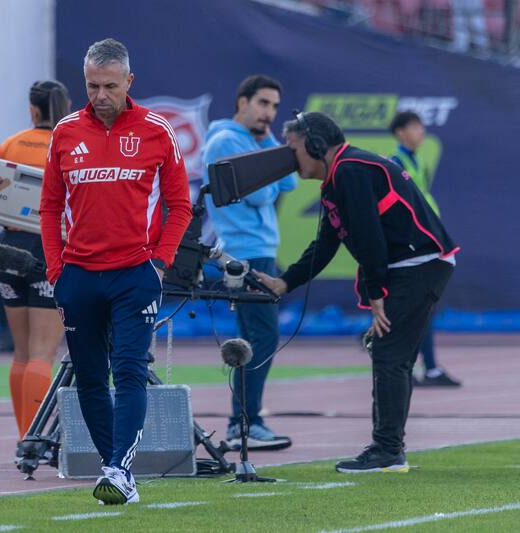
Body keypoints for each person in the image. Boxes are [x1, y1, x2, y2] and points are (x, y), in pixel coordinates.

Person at [255, 112, 458, 473]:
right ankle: (388, 449)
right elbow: (327, 243)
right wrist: (286, 282)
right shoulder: (339, 176)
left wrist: (376, 292)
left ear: (315, 145)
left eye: (292, 148)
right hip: (412, 265)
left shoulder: (351, 170)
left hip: (420, 263)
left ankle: (388, 451)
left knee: (389, 352)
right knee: (389, 352)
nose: (289, 157)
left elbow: (368, 236)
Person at [40, 38, 191, 504]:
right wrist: (56, 269)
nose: (100, 95)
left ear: (129, 82)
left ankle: (117, 468)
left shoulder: (156, 131)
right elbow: (48, 207)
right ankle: (116, 470)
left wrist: (160, 262)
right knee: (88, 375)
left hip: (135, 275)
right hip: (79, 276)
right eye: (91, 86)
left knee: (128, 369)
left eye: (109, 85)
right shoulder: (65, 132)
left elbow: (180, 205)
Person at [201, 75, 297, 451]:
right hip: (244, 251)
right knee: (262, 336)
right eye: (262, 104)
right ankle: (244, 423)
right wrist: (270, 176)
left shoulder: (254, 140)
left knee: (252, 337)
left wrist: (267, 142)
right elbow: (260, 196)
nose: (268, 113)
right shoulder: (225, 140)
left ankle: (244, 422)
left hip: (255, 248)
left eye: (274, 106)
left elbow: (286, 184)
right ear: (242, 102)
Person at [0, 80, 71, 438]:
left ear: (32, 110)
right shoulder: (68, 143)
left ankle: (25, 435)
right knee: (43, 352)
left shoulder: (11, 143)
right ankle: (34, 439)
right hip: (46, 247)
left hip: (8, 247)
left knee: (22, 352)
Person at [389, 111, 460, 387]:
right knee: (419, 308)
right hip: (415, 248)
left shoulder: (415, 161)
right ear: (400, 132)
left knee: (424, 308)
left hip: (428, 244)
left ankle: (425, 367)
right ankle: (421, 367)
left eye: (421, 127)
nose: (422, 132)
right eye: (415, 127)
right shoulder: (396, 163)